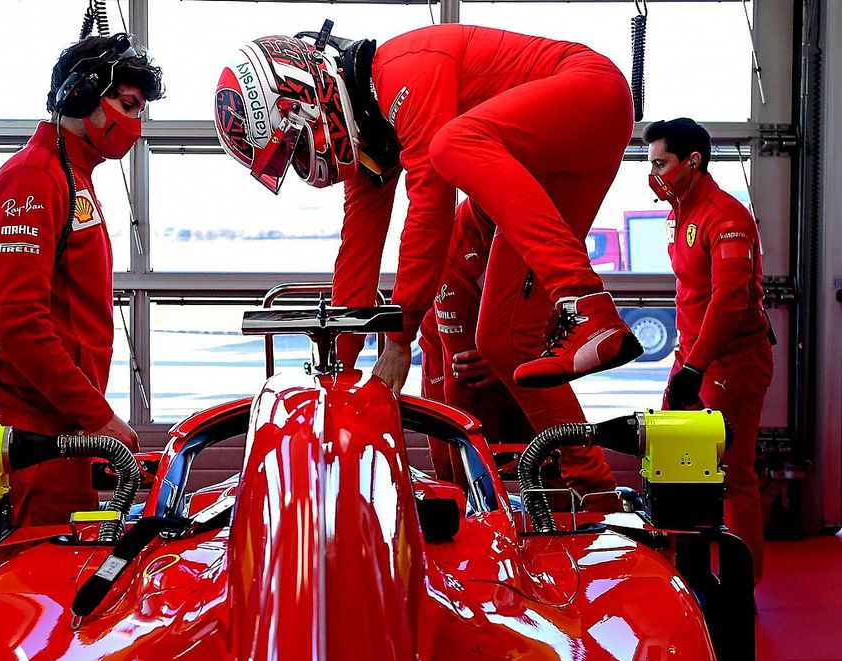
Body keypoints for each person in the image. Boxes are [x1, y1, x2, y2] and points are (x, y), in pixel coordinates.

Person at [213, 23, 643, 401]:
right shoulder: (372, 141)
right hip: (554, 153)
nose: (305, 164)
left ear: (304, 101)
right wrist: (337, 376)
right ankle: (586, 472)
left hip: (590, 91)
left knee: (451, 145)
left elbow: (431, 207)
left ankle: (587, 304)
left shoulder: (402, 70)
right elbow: (357, 257)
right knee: (503, 342)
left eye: (295, 148)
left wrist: (399, 341)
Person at [0, 34, 163, 526]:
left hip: (61, 422)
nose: (134, 124)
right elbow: (17, 321)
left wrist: (89, 415)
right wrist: (97, 417)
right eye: (127, 105)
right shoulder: (34, 179)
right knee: (38, 569)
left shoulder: (72, 177)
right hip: (32, 431)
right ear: (79, 95)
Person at [644, 117, 774, 584]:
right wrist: (688, 362)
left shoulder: (726, 216)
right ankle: (686, 579)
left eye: (661, 163)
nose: (653, 173)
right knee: (673, 466)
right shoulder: (678, 213)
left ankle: (742, 590)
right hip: (692, 358)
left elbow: (730, 299)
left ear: (692, 161)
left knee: (732, 475)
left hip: (731, 362)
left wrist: (696, 367)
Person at [420, 198, 616, 503]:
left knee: (549, 468)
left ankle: (583, 496)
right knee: (458, 484)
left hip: (523, 353)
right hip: (454, 361)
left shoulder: (549, 226)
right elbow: (460, 375)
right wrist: (468, 500)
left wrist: (508, 356)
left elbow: (562, 326)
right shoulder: (452, 243)